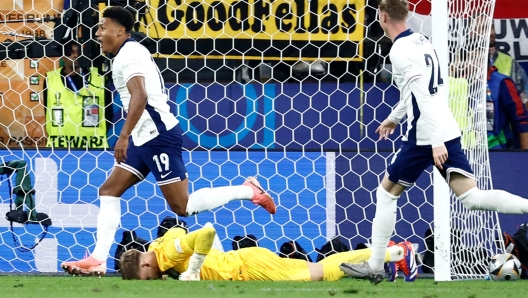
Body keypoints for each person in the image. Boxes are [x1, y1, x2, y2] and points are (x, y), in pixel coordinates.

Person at [60, 6, 276, 277]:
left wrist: (122, 136)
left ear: (121, 30)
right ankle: (98, 259)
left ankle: (248, 190)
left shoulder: (129, 56)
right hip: (143, 137)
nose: (98, 32)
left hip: (158, 137)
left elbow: (140, 97)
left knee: (182, 207)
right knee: (109, 190)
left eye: (103, 27)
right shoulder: (126, 54)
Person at [339, 0, 528, 285]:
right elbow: (420, 89)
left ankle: (375, 265)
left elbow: (423, 95)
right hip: (446, 128)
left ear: (383, 16)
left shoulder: (399, 49)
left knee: (386, 194)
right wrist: (394, 117)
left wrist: (434, 141)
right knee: (473, 198)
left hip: (426, 135)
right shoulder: (421, 40)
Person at [118, 225, 414, 281]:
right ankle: (388, 254)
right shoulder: (160, 250)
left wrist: (194, 269)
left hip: (248, 269)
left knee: (320, 272)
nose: (151, 282)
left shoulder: (165, 253)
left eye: (146, 278)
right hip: (246, 265)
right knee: (320, 269)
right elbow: (179, 231)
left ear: (145, 264)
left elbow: (206, 232)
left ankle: (396, 253)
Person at [44, 41, 112, 148]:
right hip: (59, 148)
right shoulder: (50, 79)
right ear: (62, 55)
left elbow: (109, 114)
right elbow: (47, 111)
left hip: (94, 148)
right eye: (70, 52)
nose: (75, 55)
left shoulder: (99, 77)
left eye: (78, 52)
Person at [486, 65, 528, 149]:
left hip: (497, 149)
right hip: (464, 148)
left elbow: (522, 120)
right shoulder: (458, 82)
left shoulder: (502, 82)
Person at [489, 23, 528, 110]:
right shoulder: (460, 63)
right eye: (482, 27)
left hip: (504, 121)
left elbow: (524, 98)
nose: (490, 32)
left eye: (491, 27)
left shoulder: (508, 62)